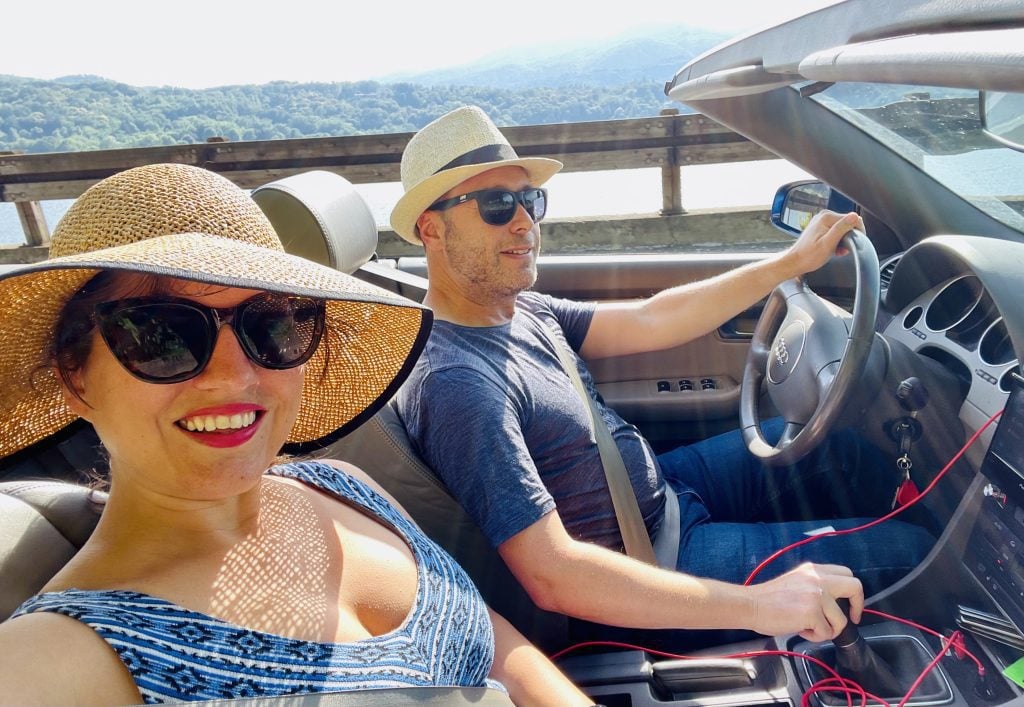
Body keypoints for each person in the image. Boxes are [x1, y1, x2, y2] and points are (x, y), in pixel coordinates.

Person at [0, 163, 591, 705]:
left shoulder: (342, 486)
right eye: (162, 335)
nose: (235, 376)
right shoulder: (53, 661)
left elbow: (502, 652)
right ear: (74, 378)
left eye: (273, 323)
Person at [390, 105, 935, 644]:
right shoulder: (455, 382)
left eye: (531, 201)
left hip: (664, 491)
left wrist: (790, 263)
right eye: (496, 204)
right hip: (657, 562)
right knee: (916, 554)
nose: (525, 222)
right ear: (430, 228)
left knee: (839, 443)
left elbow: (653, 317)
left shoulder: (520, 310)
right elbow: (553, 575)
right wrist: (760, 604)